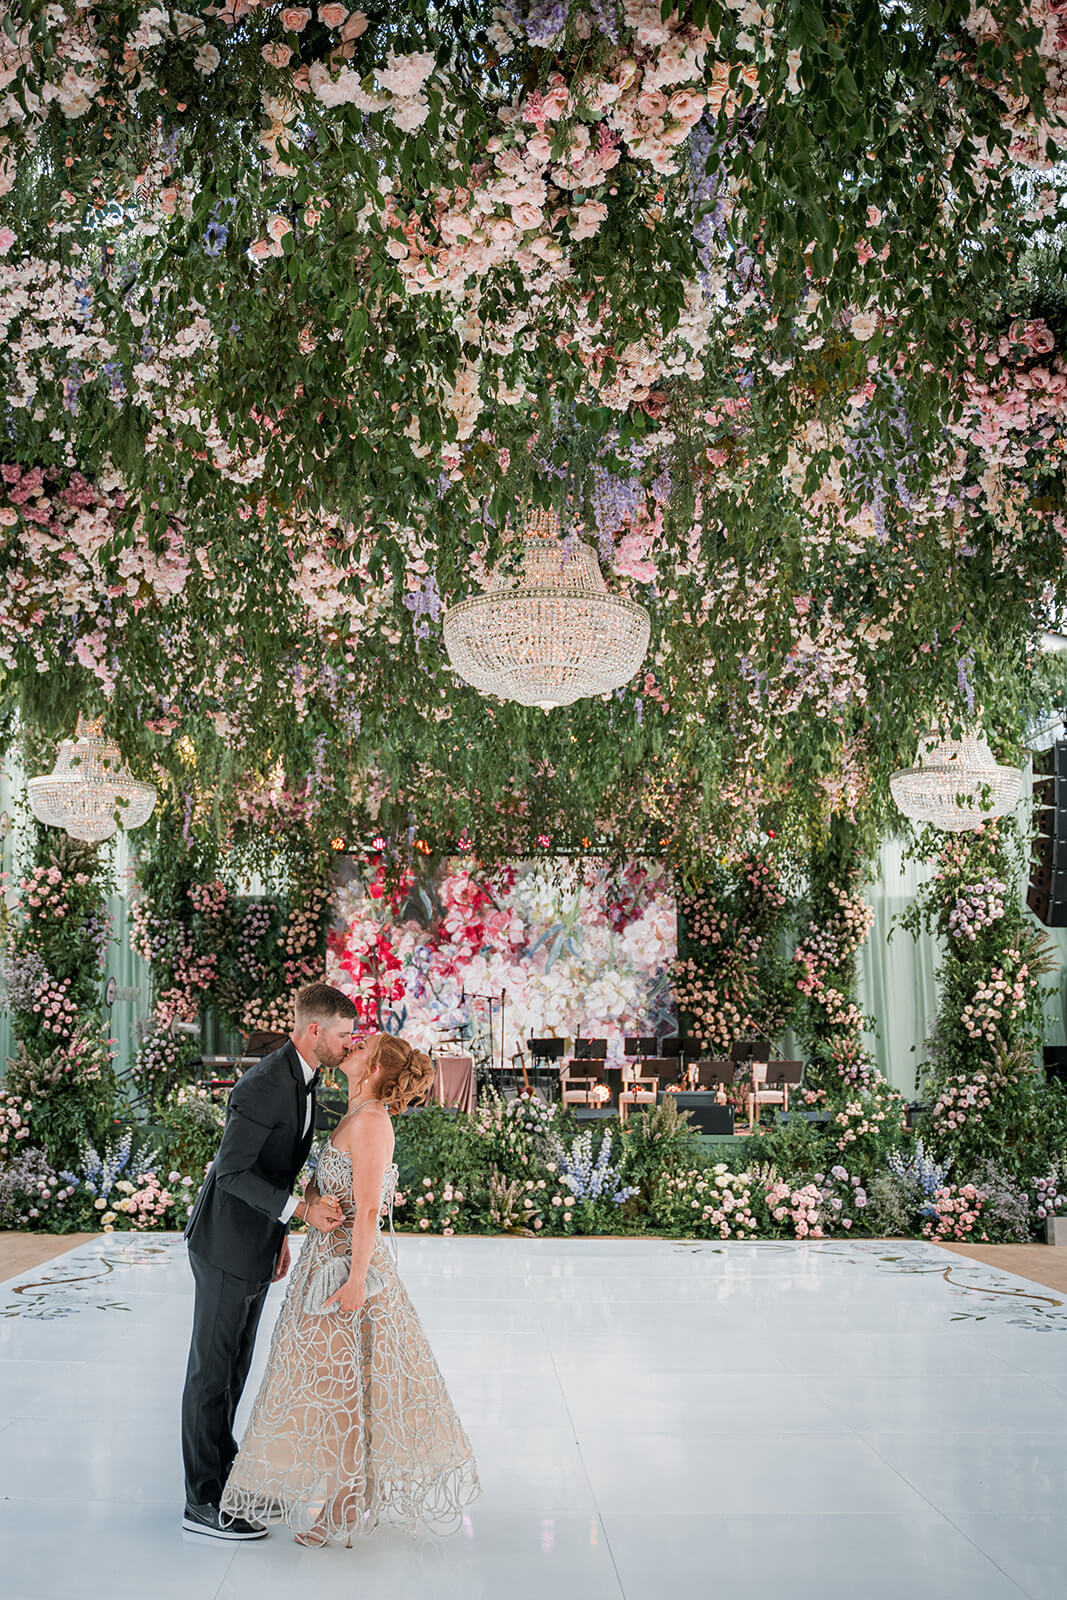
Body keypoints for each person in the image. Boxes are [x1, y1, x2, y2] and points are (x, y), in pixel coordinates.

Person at [220, 1032, 481, 1545]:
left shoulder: (371, 1123)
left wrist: (357, 1281)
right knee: (337, 1385)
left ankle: (342, 1507)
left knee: (340, 1389)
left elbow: (367, 1210)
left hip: (344, 1271)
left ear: (377, 1071)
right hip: (324, 1261)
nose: (352, 1047)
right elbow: (325, 1188)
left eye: (363, 1048)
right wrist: (308, 1206)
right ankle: (348, 1497)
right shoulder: (352, 1115)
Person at [181, 982, 359, 1540]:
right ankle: (202, 1502)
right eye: (343, 1036)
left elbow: (274, 1168)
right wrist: (299, 1211)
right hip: (223, 1245)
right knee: (211, 1373)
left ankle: (228, 1475)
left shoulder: (305, 1079)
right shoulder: (263, 1085)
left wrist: (279, 1230)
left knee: (234, 1368)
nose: (349, 1046)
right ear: (314, 1032)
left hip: (255, 1242)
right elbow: (231, 1172)